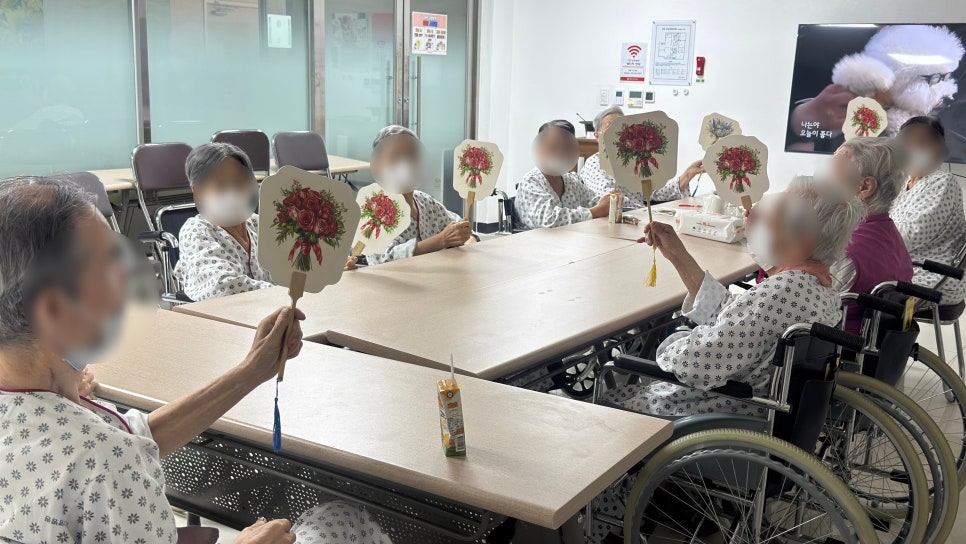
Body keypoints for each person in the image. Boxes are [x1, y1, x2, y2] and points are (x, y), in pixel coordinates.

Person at [0, 177, 392, 544]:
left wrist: (252, 370)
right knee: (343, 521)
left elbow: (135, 438)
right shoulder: (107, 462)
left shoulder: (52, 419)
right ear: (54, 310)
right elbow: (119, 450)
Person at [590, 177, 864, 542]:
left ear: (802, 238)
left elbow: (696, 364)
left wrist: (673, 340)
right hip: (766, 415)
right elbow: (734, 316)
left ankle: (601, 524)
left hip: (723, 415)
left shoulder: (781, 293)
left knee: (604, 404)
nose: (758, 221)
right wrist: (678, 255)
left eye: (772, 216)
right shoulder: (816, 286)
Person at [824, 137, 912, 333]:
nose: (823, 180)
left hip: (837, 344)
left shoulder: (846, 252)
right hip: (875, 344)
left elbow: (800, 305)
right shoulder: (891, 236)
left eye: (835, 168)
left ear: (864, 187)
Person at [358, 125, 475, 266]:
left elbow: (458, 225)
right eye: (395, 157)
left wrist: (468, 239)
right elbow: (382, 258)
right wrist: (441, 240)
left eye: (412, 155)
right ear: (379, 164)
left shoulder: (424, 201)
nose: (405, 164)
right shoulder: (373, 210)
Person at [173, 142, 273, 301]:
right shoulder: (196, 231)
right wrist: (279, 293)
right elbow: (223, 286)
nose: (232, 192)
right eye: (220, 185)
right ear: (199, 191)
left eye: (239, 182)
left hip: (272, 308)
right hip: (220, 314)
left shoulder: (257, 223)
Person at [891, 116, 966, 304]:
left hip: (932, 276)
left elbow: (910, 236)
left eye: (921, 143)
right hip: (905, 268)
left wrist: (866, 239)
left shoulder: (942, 182)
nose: (911, 149)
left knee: (856, 287)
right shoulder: (904, 182)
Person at [580, 106, 706, 206]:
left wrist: (687, 175)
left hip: (639, 218)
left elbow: (651, 192)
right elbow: (610, 200)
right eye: (611, 126)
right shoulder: (595, 163)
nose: (619, 131)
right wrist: (642, 210)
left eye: (622, 126)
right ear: (597, 136)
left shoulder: (634, 159)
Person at [514, 120, 610, 230]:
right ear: (540, 147)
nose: (561, 151)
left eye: (567, 146)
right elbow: (548, 221)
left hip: (574, 238)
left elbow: (595, 201)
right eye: (554, 145)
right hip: (538, 240)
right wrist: (595, 212)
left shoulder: (571, 180)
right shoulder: (530, 181)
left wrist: (612, 200)